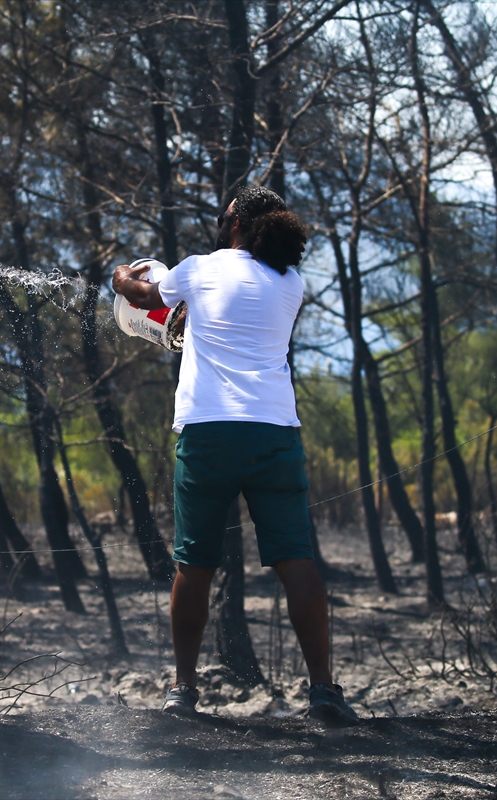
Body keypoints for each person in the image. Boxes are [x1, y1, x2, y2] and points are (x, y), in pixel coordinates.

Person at [111, 185, 359, 726]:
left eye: (228, 219)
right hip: (274, 433)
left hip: (208, 433)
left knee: (194, 564)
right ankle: (322, 691)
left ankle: (183, 691)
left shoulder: (198, 269)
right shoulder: (291, 283)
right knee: (296, 559)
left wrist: (120, 277)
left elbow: (144, 298)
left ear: (240, 224)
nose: (222, 226)